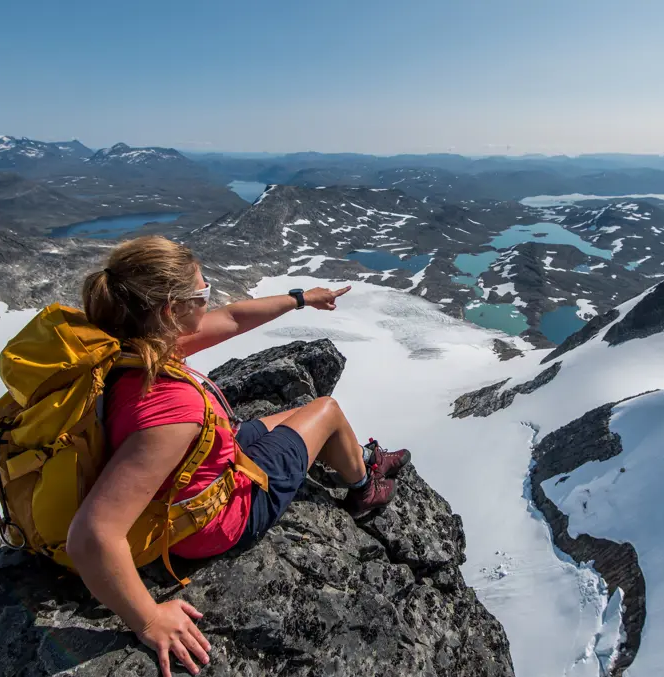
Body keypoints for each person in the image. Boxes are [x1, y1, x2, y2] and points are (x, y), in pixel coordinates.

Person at [65, 235, 411, 677]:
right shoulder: (172, 409)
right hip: (219, 519)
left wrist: (302, 298)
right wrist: (149, 619)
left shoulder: (129, 344)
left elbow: (230, 319)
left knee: (296, 416)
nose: (210, 297)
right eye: (202, 292)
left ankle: (358, 455)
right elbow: (92, 534)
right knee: (325, 410)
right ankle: (365, 486)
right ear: (172, 311)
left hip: (196, 466)